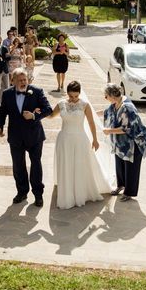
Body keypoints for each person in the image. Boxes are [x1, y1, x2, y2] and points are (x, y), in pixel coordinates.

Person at [48, 81, 112, 209]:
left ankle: (79, 192)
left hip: (80, 140)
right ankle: (67, 191)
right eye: (71, 96)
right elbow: (50, 116)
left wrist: (95, 139)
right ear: (67, 93)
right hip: (64, 140)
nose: (73, 99)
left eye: (76, 96)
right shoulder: (61, 104)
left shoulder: (84, 105)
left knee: (79, 165)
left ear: (79, 94)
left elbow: (91, 123)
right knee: (66, 165)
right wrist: (37, 111)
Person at [0, 67, 52, 207]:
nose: (22, 82)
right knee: (18, 166)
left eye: (25, 80)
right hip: (15, 136)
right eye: (19, 80)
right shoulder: (7, 94)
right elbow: (2, 111)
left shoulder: (37, 91)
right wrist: (0, 126)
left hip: (34, 136)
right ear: (13, 80)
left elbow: (48, 109)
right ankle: (22, 192)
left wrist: (34, 116)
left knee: (36, 165)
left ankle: (38, 194)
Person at [103, 83, 146, 201]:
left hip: (134, 143)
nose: (105, 98)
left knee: (131, 168)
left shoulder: (127, 107)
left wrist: (109, 131)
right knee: (119, 164)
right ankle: (121, 185)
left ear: (113, 95)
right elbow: (106, 113)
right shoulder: (115, 103)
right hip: (121, 142)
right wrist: (89, 112)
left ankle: (129, 192)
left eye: (106, 96)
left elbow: (128, 128)